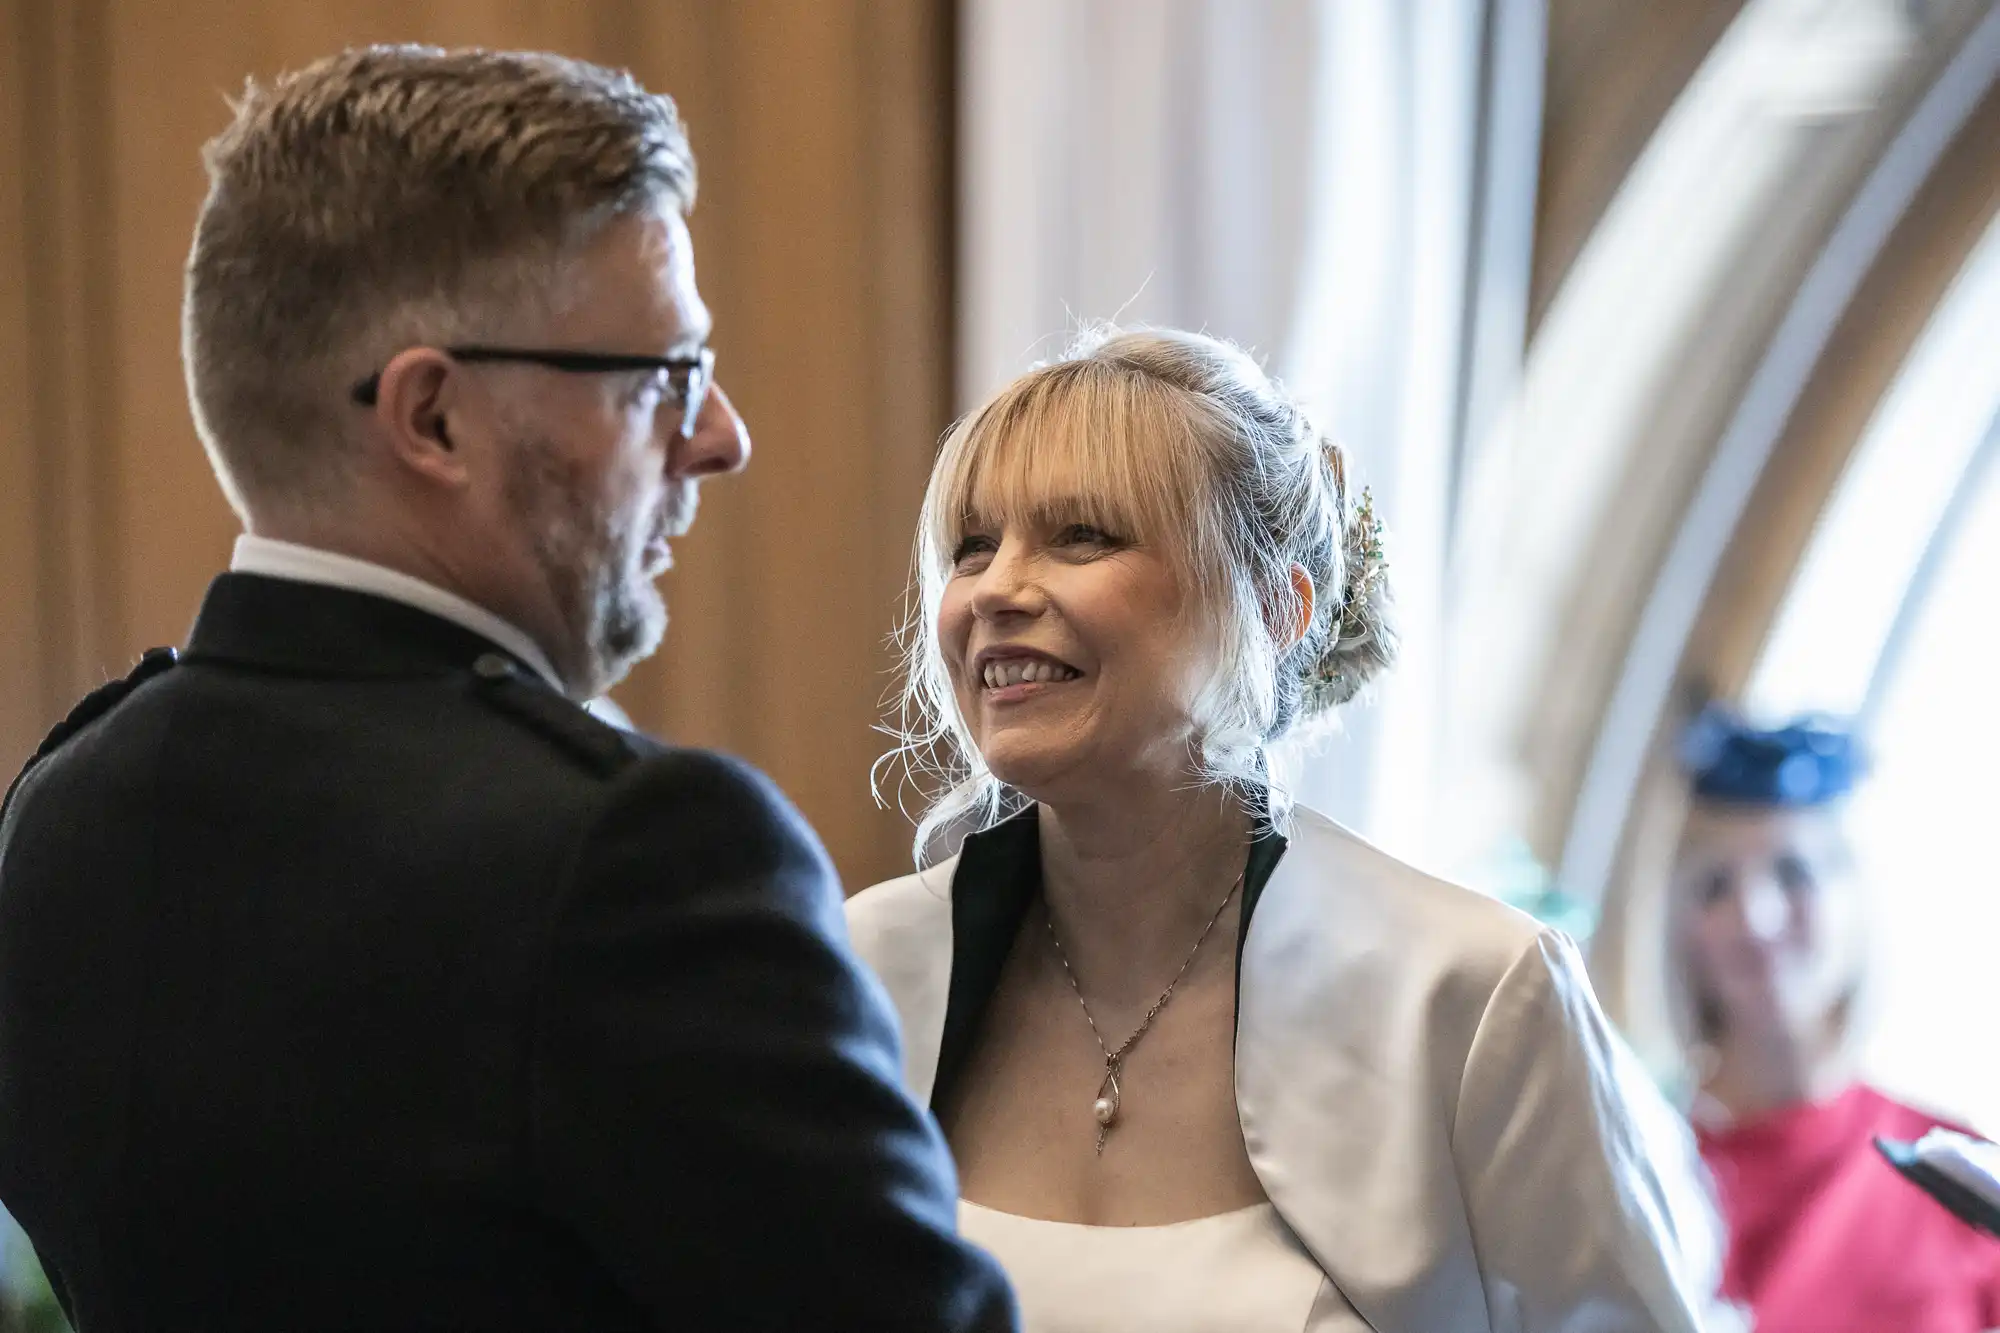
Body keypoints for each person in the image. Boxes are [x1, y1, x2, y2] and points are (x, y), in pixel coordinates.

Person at [0, 46, 1015, 1332]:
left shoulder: (59, 809)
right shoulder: (639, 860)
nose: (720, 436)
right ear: (432, 419)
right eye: (663, 375)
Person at [847, 327, 1717, 1332]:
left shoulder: (1466, 995)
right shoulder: (856, 971)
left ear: (1273, 607)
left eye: (1082, 535)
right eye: (971, 547)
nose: (997, 588)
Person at [1667, 707, 2000, 1332]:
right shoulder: (1639, 1163)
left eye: (1795, 873)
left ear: (1857, 906)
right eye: (1715, 886)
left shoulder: (1961, 1182)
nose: (1756, 919)